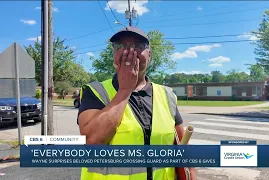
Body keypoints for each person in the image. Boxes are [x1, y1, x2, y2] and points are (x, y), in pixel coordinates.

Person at [77, 26, 196, 180]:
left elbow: (183, 148)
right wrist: (125, 89)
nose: (128, 52)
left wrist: (190, 174)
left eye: (138, 46)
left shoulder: (167, 95)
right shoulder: (95, 92)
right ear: (114, 53)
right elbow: (91, 143)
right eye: (120, 46)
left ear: (150, 55)